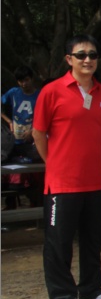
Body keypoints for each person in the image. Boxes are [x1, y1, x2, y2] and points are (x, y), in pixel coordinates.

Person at [33, 34, 101, 299]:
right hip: (62, 183)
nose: (87, 60)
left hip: (95, 181)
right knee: (59, 243)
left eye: (92, 55)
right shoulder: (52, 91)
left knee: (93, 240)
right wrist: (54, 163)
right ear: (69, 59)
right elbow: (38, 133)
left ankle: (91, 289)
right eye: (81, 55)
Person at [2, 65, 43, 209]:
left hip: (32, 142)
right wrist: (9, 121)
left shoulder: (40, 95)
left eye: (26, 80)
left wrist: (33, 130)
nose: (24, 84)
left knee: (36, 168)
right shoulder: (13, 93)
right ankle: (10, 203)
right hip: (14, 141)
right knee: (8, 167)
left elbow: (45, 116)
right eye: (20, 81)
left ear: (31, 78)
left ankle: (36, 202)